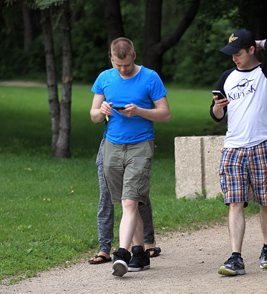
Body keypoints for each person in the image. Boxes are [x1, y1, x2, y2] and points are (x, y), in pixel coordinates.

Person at [90, 37, 171, 277]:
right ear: (111, 59)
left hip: (140, 145)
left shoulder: (150, 77)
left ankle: (122, 254)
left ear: (134, 56)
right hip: (112, 146)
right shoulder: (104, 78)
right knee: (126, 202)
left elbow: (165, 113)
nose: (123, 70)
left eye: (126, 65)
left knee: (130, 201)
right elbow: (93, 115)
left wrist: (139, 111)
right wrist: (101, 110)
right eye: (118, 65)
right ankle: (139, 253)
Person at [210, 28, 267, 276]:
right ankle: (236, 257)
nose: (234, 57)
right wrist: (218, 109)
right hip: (233, 146)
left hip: (262, 143)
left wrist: (259, 41)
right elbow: (215, 114)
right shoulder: (226, 77)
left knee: (266, 201)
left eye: (239, 52)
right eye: (231, 53)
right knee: (234, 202)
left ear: (252, 50)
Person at [88, 138, 161, 265]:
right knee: (106, 195)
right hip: (110, 143)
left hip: (136, 142)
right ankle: (104, 248)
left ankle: (147, 242)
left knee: (136, 197)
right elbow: (96, 117)